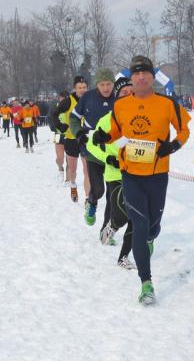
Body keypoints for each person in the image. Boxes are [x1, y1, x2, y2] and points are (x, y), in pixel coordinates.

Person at [92, 55, 191, 305]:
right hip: (131, 174)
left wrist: (172, 146)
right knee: (140, 222)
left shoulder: (167, 104)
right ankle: (146, 283)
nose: (141, 77)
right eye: (136, 73)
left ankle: (149, 238)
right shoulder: (122, 106)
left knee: (153, 226)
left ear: (151, 76)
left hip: (157, 175)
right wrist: (102, 136)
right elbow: (115, 132)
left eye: (145, 72)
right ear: (131, 78)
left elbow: (184, 130)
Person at [89, 76, 136, 269]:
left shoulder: (141, 118)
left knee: (135, 214)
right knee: (120, 210)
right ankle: (110, 227)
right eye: (124, 93)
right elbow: (92, 145)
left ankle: (124, 256)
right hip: (115, 174)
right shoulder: (107, 120)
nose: (128, 95)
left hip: (137, 173)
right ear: (116, 97)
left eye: (132, 92)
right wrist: (108, 157)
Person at [70, 68, 116, 226]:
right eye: (102, 84)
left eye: (109, 84)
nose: (106, 88)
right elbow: (73, 118)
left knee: (112, 192)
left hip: (112, 151)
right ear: (97, 85)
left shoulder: (119, 99)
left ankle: (108, 227)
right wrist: (79, 134)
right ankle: (92, 202)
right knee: (98, 190)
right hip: (92, 150)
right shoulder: (87, 97)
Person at [50, 76, 90, 201]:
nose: (82, 90)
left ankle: (88, 198)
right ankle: (73, 185)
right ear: (75, 88)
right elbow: (54, 113)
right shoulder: (68, 101)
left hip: (85, 139)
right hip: (71, 139)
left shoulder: (90, 100)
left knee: (87, 170)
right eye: (80, 88)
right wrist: (60, 126)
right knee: (73, 168)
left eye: (84, 87)